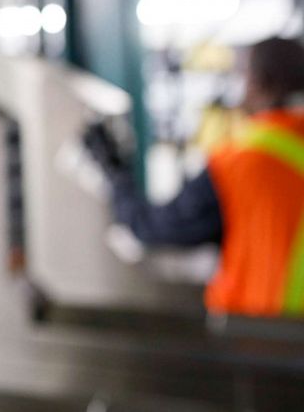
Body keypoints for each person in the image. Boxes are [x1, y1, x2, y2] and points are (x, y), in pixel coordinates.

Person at [85, 37, 304, 317]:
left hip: (266, 338)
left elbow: (155, 227)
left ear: (259, 83)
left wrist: (114, 173)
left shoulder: (242, 163)